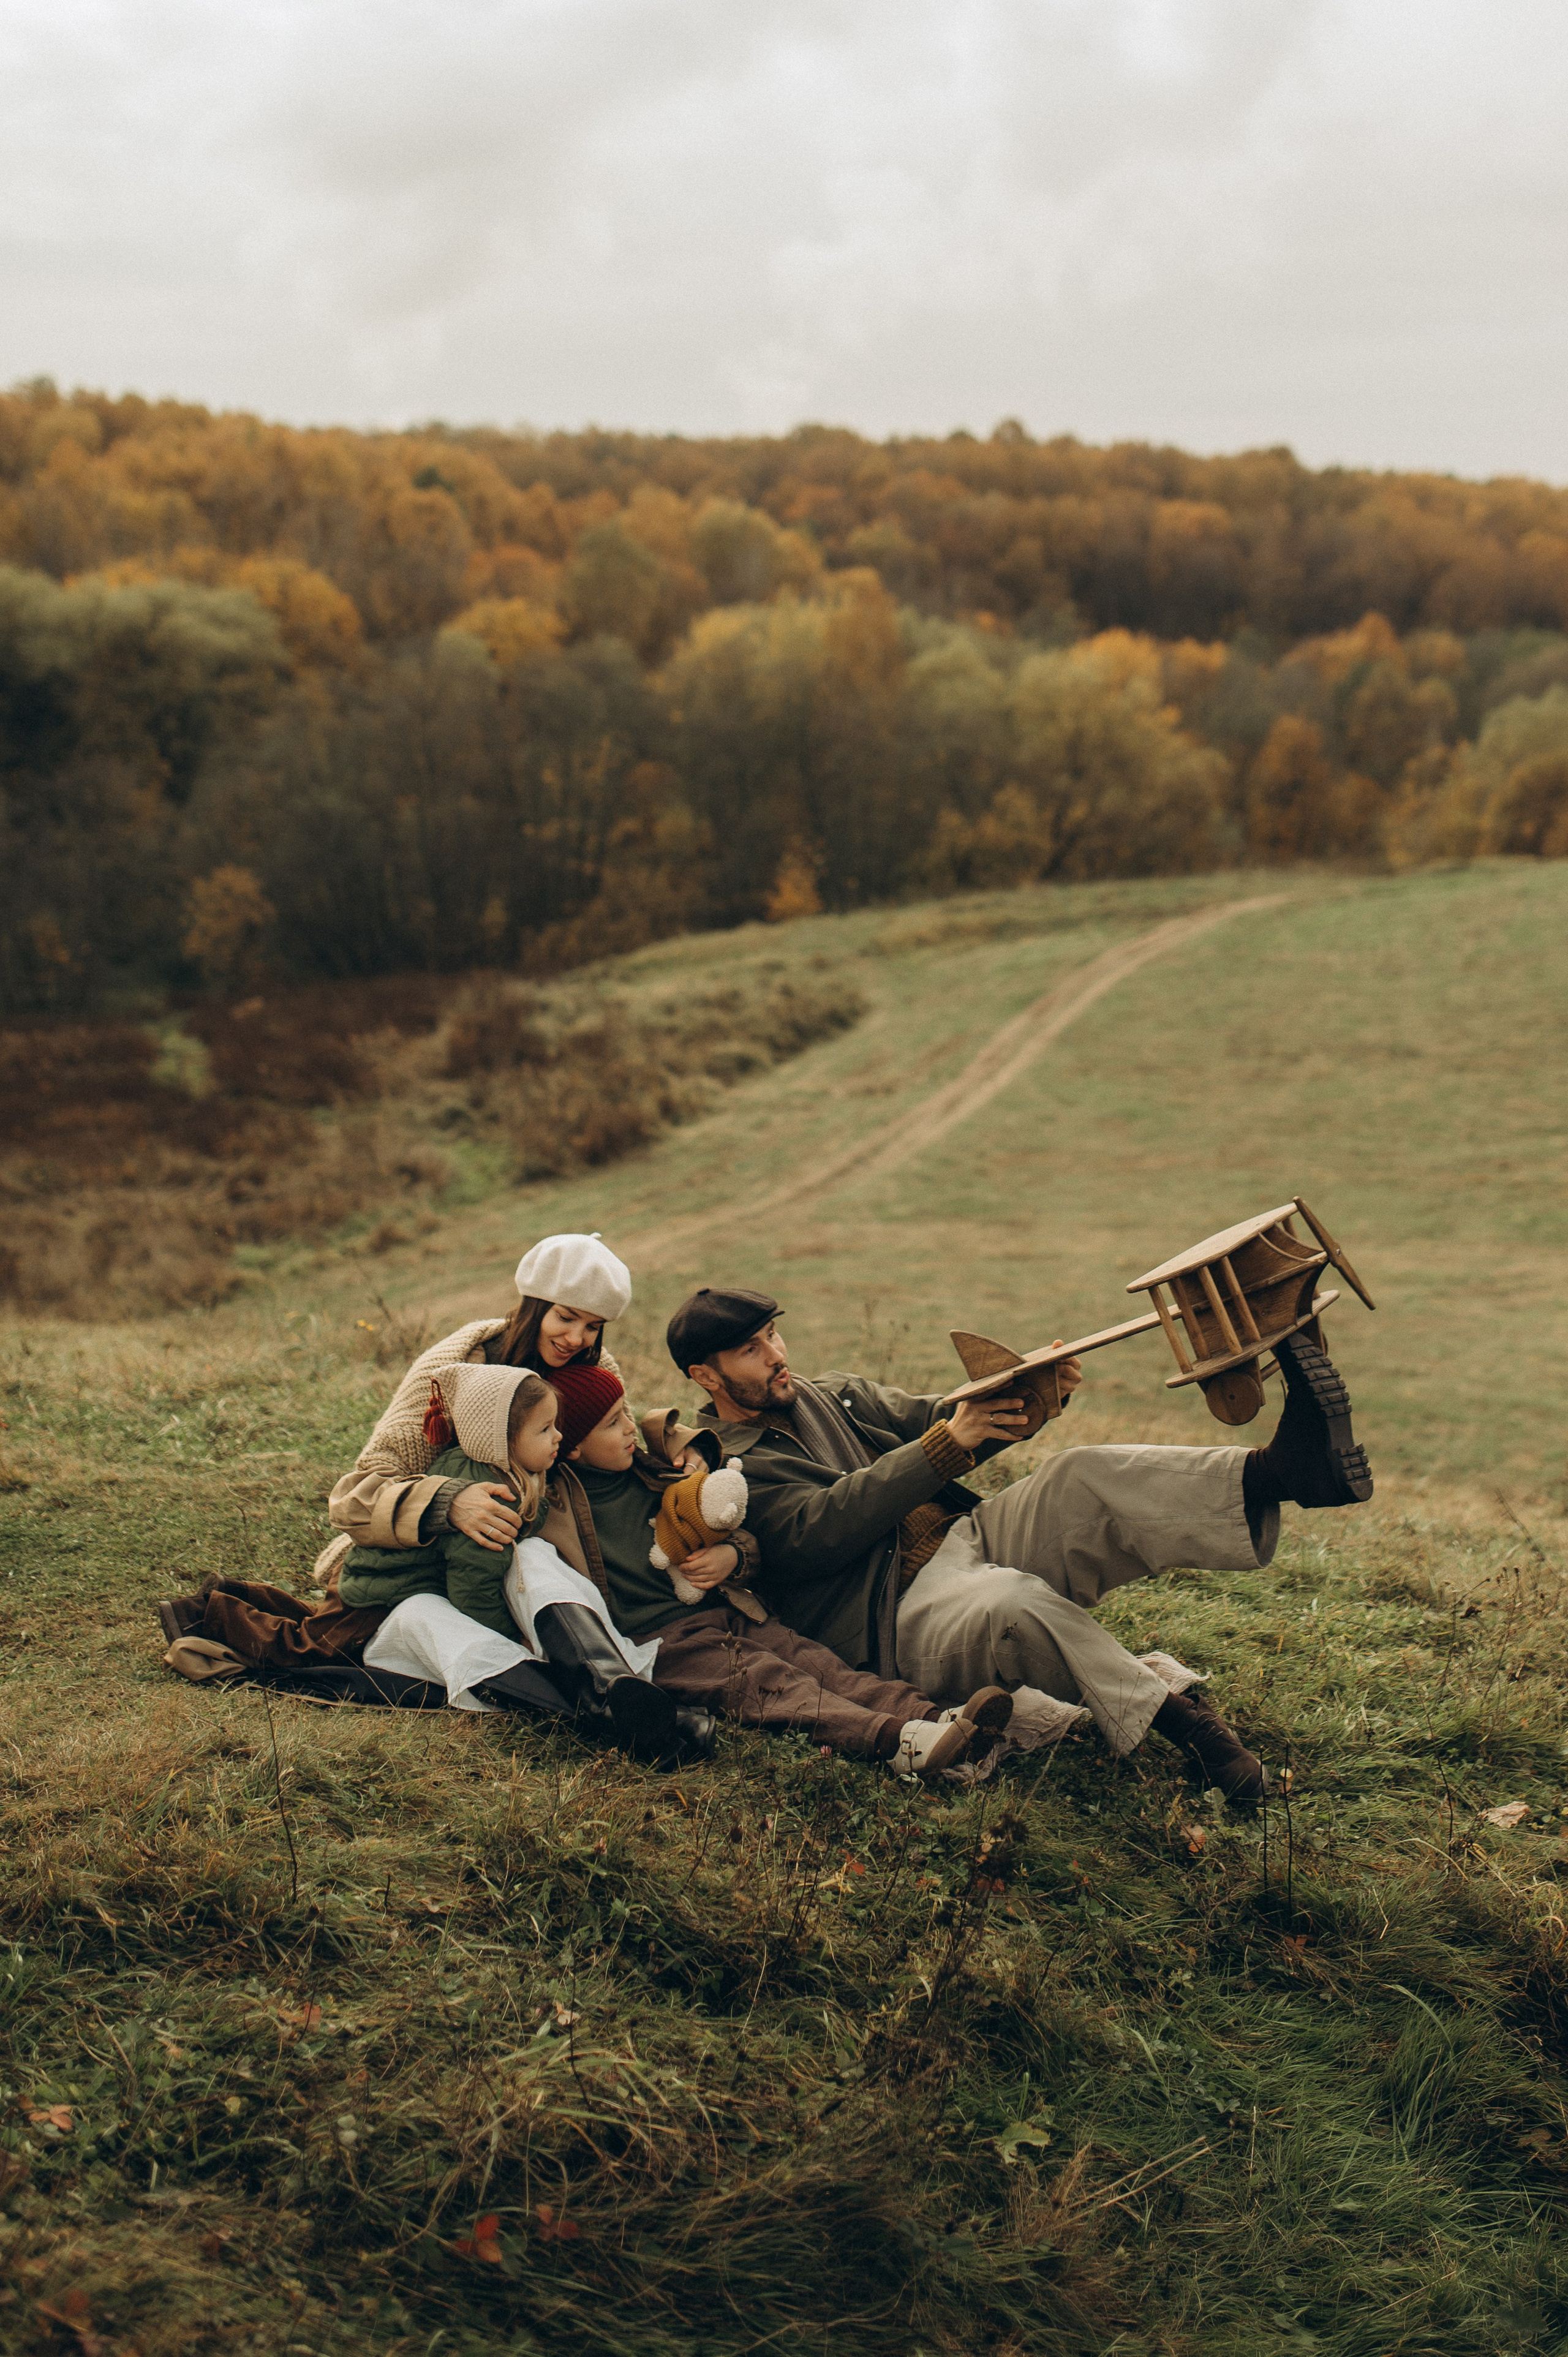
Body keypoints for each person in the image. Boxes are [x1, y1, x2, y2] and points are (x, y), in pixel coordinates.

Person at [666, 1288, 1377, 1799]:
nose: (774, 1355)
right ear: (705, 1374)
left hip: (964, 1537)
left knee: (1081, 1472)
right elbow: (820, 1532)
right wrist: (947, 1442)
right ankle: (1190, 1730)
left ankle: (1283, 1471)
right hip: (895, 1617)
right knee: (1013, 1600)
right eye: (749, 1349)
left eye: (773, 1337)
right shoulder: (724, 1463)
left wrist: (1028, 1394)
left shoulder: (830, 1393)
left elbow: (939, 1415)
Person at [540, 1362, 1014, 1778]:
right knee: (774, 1685)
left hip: (727, 1612)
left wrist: (733, 1557)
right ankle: (900, 1741)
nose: (628, 1427)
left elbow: (740, 1534)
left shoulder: (654, 1473)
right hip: (659, 1643)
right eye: (610, 1424)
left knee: (820, 1665)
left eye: (626, 1413)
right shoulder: (550, 1502)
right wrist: (460, 1496)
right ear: (572, 1446)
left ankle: (938, 1720)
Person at [318, 1231, 637, 1580]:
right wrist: (449, 1502)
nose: (576, 1339)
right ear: (535, 1305)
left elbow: (629, 1448)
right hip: (445, 1548)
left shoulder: (595, 1365)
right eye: (565, 1318)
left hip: (556, 1541)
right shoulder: (458, 1364)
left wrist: (686, 1451)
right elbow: (360, 1493)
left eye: (593, 1327)